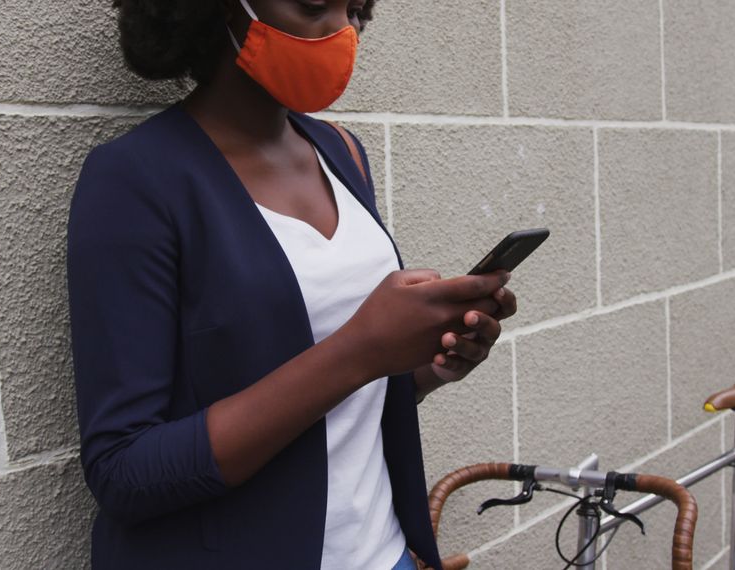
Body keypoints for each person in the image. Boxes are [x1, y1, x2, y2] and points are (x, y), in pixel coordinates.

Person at [66, 1, 518, 568]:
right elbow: (123, 470)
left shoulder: (341, 152)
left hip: (383, 554)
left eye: (354, 10)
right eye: (312, 4)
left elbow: (333, 392)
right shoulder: (134, 179)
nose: (342, 33)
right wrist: (361, 349)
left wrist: (425, 364)